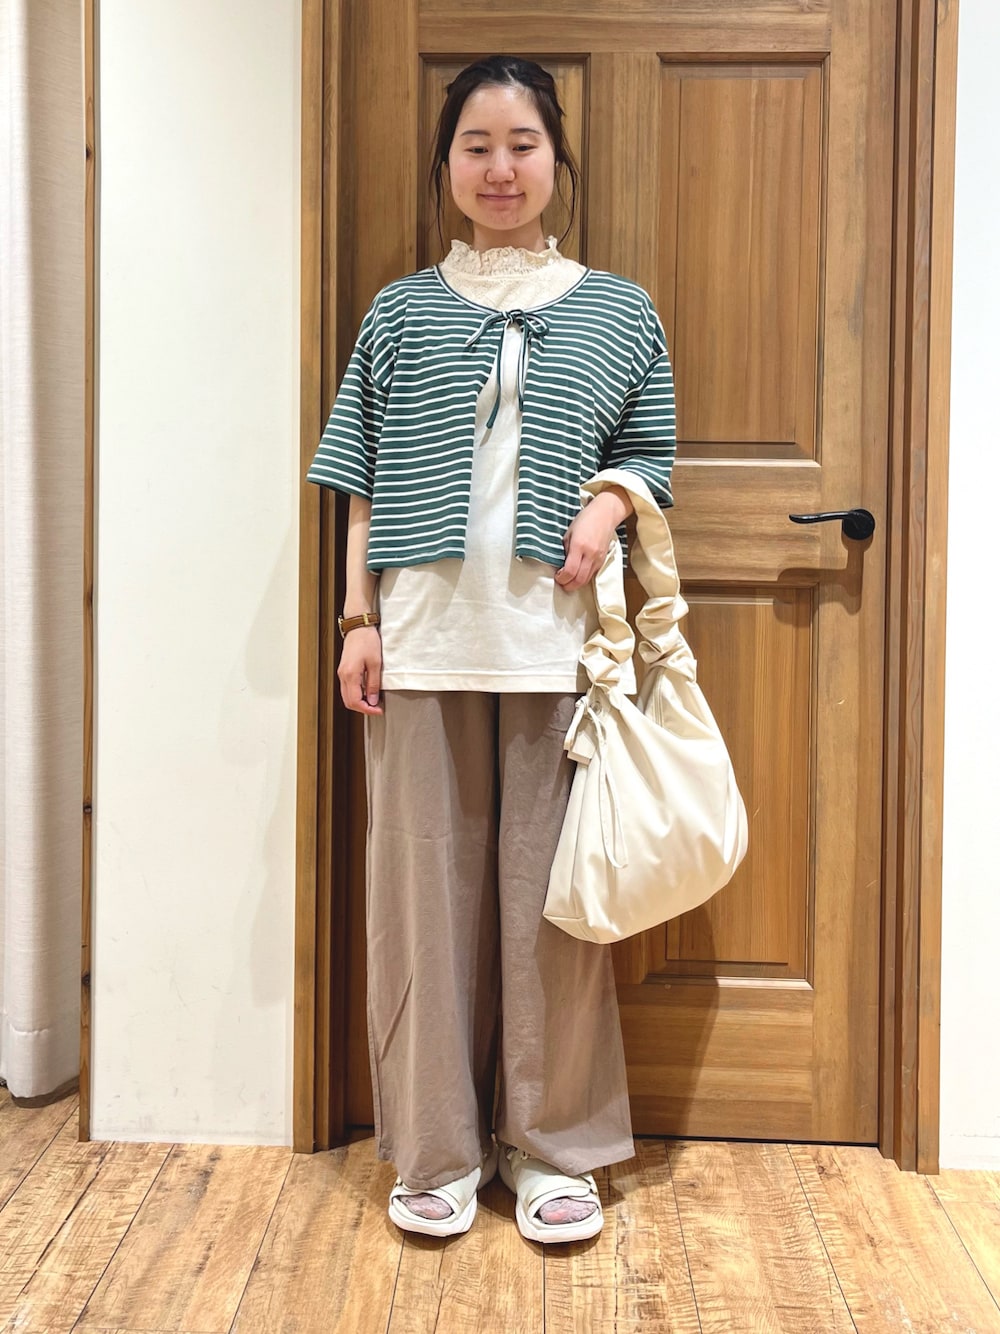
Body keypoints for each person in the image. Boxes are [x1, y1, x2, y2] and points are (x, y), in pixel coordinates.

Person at [306, 55, 676, 1244]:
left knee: (552, 912)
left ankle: (554, 1146)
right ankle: (436, 1148)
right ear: (446, 164)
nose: (500, 167)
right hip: (420, 642)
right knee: (422, 905)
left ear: (556, 158)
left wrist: (607, 502)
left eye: (522, 143)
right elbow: (358, 476)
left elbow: (652, 448)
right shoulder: (399, 310)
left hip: (560, 647)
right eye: (476, 145)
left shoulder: (618, 309)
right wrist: (357, 618)